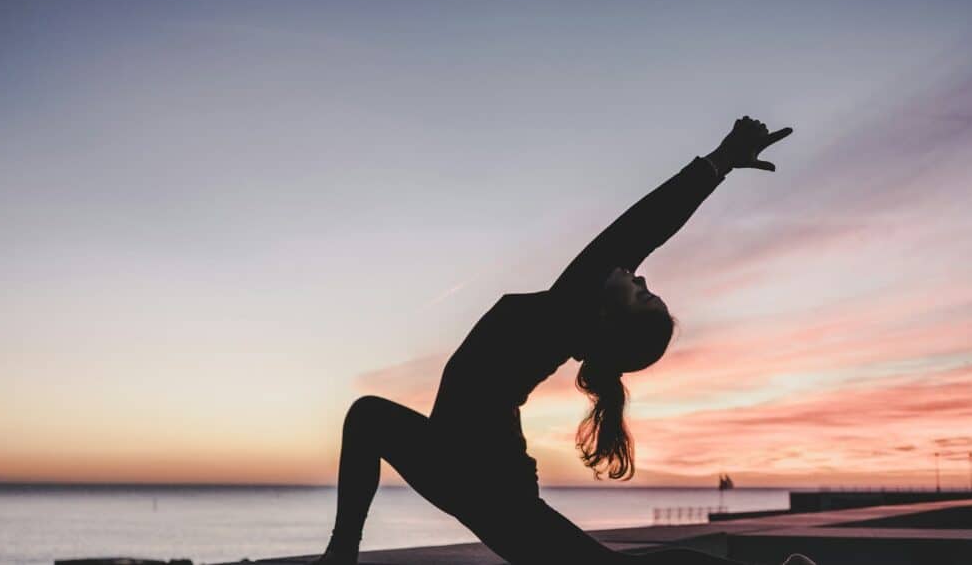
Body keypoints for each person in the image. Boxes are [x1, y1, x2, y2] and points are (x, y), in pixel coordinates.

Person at [313, 117, 809, 565]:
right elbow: (637, 238)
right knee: (368, 417)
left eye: (643, 294)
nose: (639, 279)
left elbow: (642, 227)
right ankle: (341, 552)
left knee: (369, 417)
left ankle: (341, 554)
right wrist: (718, 164)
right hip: (463, 466)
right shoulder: (571, 316)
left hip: (481, 479)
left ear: (610, 319)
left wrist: (719, 161)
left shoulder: (567, 310)